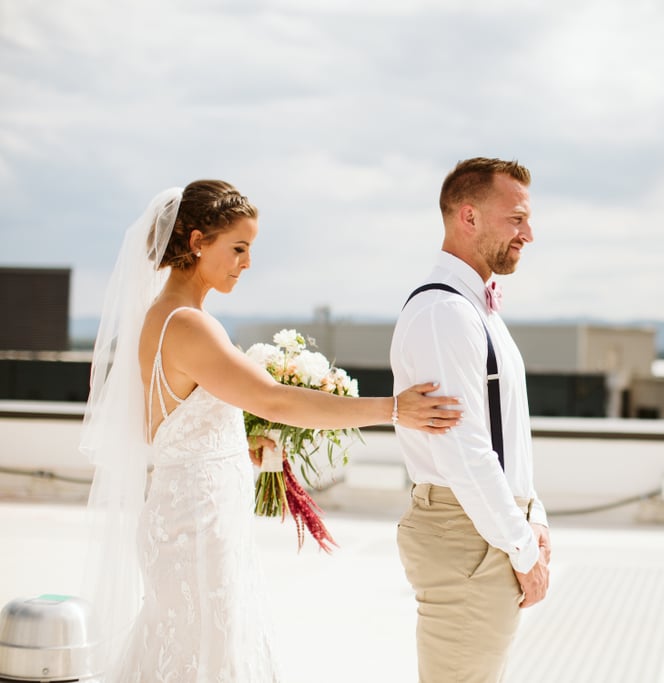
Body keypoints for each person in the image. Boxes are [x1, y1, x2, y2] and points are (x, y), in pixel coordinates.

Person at [80, 180, 461, 681]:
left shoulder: (162, 318)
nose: (247, 262)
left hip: (189, 515)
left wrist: (237, 446)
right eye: (238, 248)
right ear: (197, 242)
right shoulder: (189, 324)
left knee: (188, 651)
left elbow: (166, 431)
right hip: (198, 528)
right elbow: (276, 399)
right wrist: (394, 409)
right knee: (206, 657)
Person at [390, 157, 552, 682]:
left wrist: (535, 516)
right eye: (517, 218)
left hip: (488, 526)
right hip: (469, 533)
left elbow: (508, 430)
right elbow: (463, 451)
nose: (529, 233)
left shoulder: (475, 308)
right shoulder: (445, 314)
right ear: (469, 216)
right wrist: (523, 549)